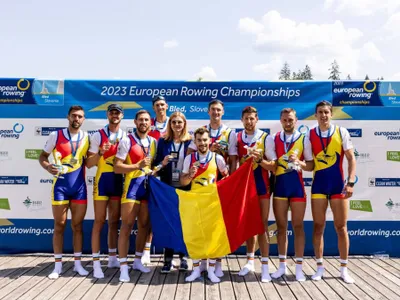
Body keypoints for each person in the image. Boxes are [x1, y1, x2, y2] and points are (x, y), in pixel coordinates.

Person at [307, 100, 356, 284]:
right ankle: (319, 267)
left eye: (326, 112)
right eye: (320, 112)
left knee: (341, 227)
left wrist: (350, 182)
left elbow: (351, 159)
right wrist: (299, 164)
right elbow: (310, 163)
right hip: (319, 185)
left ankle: (344, 269)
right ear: (316, 114)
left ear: (331, 114)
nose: (323, 115)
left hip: (338, 186)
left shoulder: (341, 132)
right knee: (318, 226)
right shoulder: (310, 134)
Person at [187, 99, 238, 275]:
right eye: (212, 110)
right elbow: (189, 153)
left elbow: (232, 159)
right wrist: (209, 148)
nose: (215, 113)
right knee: (201, 227)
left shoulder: (229, 133)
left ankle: (217, 264)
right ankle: (202, 263)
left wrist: (229, 183)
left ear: (222, 112)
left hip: (219, 184)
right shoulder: (202, 132)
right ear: (208, 112)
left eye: (218, 110)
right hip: (201, 185)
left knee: (217, 227)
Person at [38, 105, 90, 279]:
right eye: (74, 116)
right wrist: (48, 167)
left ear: (83, 119)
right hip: (60, 186)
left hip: (79, 188)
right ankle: (57, 266)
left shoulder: (87, 137)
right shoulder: (56, 135)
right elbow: (42, 157)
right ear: (68, 117)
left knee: (77, 227)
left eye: (80, 116)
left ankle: (77, 264)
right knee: (59, 225)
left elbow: (90, 161)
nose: (77, 119)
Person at [268, 108, 314, 281]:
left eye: (291, 120)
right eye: (285, 120)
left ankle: (299, 268)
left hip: (297, 187)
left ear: (296, 121)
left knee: (298, 227)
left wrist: (299, 162)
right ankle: (282, 267)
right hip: (280, 187)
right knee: (281, 228)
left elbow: (310, 165)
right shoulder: (273, 139)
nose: (288, 123)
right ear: (281, 121)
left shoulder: (304, 139)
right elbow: (272, 163)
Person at [180, 127, 229, 283]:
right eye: (199, 140)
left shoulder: (217, 158)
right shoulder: (189, 158)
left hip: (212, 204)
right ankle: (195, 270)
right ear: (195, 142)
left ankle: (211, 270)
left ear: (210, 141)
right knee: (195, 236)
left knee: (213, 236)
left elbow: (227, 179)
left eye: (205, 140)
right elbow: (183, 181)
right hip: (195, 202)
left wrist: (219, 189)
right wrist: (190, 175)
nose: (202, 143)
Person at [114, 109, 157, 282]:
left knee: (145, 225)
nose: (143, 123)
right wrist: (137, 166)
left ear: (150, 123)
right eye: (140, 120)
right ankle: (123, 267)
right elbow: (117, 167)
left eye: (146, 120)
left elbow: (153, 166)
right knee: (127, 226)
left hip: (147, 188)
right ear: (135, 122)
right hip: (131, 188)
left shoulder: (154, 142)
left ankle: (138, 261)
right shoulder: (126, 140)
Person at [85, 103, 126, 279]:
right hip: (102, 182)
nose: (115, 116)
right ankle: (95, 263)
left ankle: (112, 258)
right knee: (99, 221)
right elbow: (88, 163)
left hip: (118, 181)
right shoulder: (97, 135)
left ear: (122, 116)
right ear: (107, 115)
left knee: (114, 222)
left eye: (118, 113)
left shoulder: (126, 136)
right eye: (112, 113)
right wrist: (101, 151)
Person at [236, 106, 275, 283]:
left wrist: (259, 160)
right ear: (242, 120)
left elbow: (273, 166)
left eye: (252, 118)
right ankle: (250, 261)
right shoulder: (236, 137)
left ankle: (265, 267)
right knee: (249, 225)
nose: (249, 122)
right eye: (246, 118)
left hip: (261, 186)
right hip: (244, 187)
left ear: (257, 119)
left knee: (262, 226)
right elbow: (232, 164)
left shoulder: (266, 138)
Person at [153, 112, 192, 273]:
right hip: (168, 186)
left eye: (180, 122)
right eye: (174, 122)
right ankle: (167, 259)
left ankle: (183, 257)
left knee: (184, 223)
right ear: (170, 124)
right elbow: (156, 164)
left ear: (184, 124)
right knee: (169, 222)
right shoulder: (163, 141)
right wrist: (163, 163)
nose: (177, 125)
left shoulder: (190, 141)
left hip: (185, 187)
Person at [143, 95, 169, 264]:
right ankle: (146, 249)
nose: (160, 107)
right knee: (149, 214)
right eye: (157, 105)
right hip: (151, 175)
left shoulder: (174, 123)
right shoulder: (148, 125)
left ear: (167, 106)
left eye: (162, 104)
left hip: (169, 176)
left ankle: (170, 252)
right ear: (154, 108)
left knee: (169, 214)